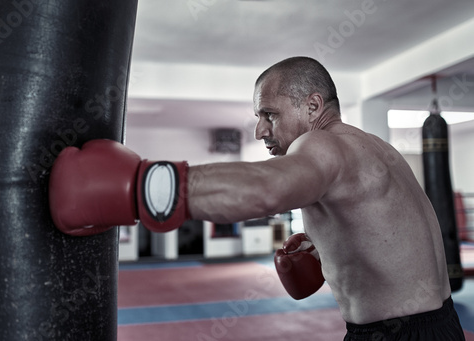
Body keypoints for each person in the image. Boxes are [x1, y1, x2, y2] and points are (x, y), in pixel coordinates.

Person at [49, 57, 465, 340]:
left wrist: (142, 187)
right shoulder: (376, 148)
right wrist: (330, 249)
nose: (260, 131)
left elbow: (263, 189)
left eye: (269, 114)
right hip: (442, 325)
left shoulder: (323, 145)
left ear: (313, 105)